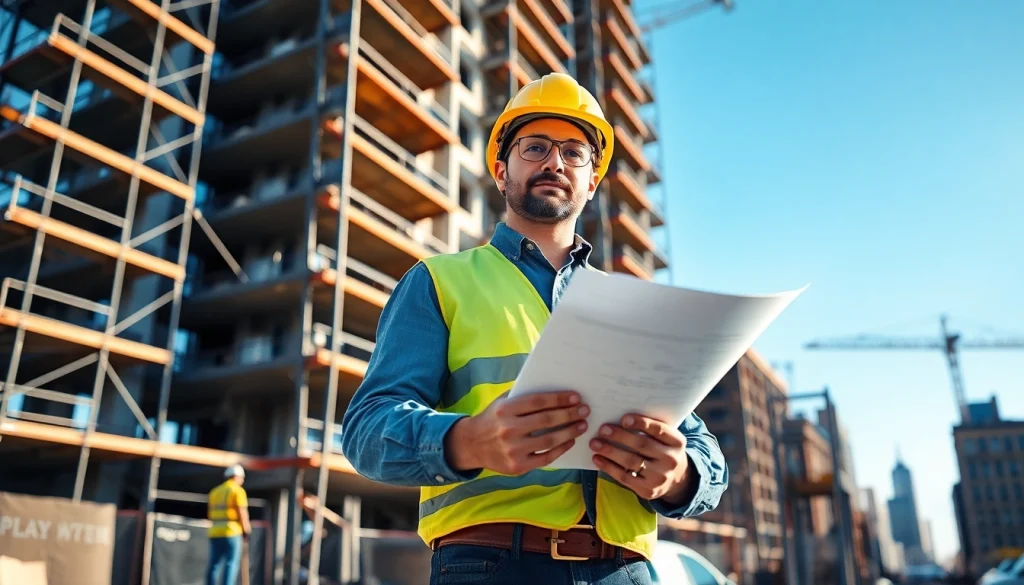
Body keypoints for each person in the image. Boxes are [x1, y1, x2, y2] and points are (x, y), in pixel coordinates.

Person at [341, 72, 728, 584]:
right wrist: (468, 441)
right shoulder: (438, 281)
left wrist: (678, 477)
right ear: (502, 172)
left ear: (592, 183)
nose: (554, 162)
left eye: (573, 153)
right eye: (535, 147)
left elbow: (703, 452)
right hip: (492, 565)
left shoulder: (633, 308)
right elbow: (367, 430)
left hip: (627, 573)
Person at [206, 464, 251, 585]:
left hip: (215, 531)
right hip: (232, 531)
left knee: (214, 564)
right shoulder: (237, 491)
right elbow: (242, 512)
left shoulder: (215, 491)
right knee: (231, 563)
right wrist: (246, 529)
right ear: (237, 477)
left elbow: (210, 513)